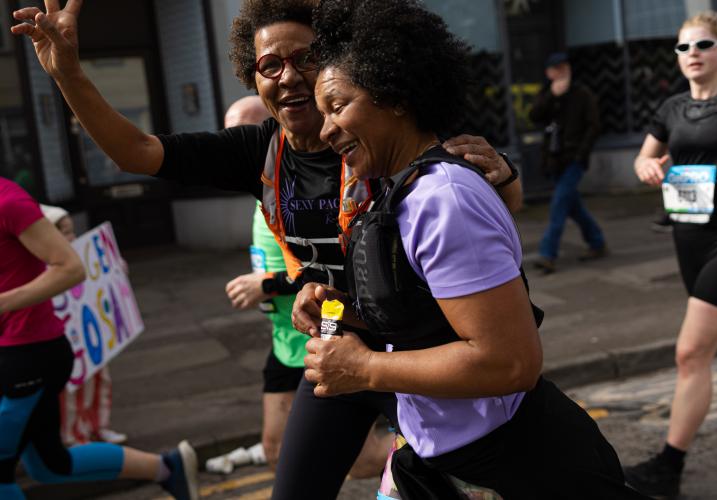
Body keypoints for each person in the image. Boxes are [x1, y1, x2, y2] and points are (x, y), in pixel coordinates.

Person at [10, 2, 520, 497]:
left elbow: (489, 198)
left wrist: (506, 173)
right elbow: (136, 152)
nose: (289, 76)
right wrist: (68, 73)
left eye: (307, 58)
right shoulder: (258, 150)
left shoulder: (378, 133)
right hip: (335, 334)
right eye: (270, 65)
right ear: (253, 78)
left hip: (420, 346)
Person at [293, 1, 646, 498]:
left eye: (337, 105)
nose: (326, 129)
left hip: (518, 466)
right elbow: (423, 319)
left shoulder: (446, 201)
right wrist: (336, 309)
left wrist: (365, 370)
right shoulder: (401, 191)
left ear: (394, 95)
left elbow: (510, 362)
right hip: (437, 458)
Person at [628, 11, 717, 498]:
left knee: (691, 353)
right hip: (687, 239)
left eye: (704, 45)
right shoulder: (670, 109)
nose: (692, 54)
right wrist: (648, 167)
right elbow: (643, 157)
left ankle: (668, 467)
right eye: (684, 47)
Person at [221, 96, 390, 476]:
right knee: (274, 449)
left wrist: (267, 284)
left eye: (248, 131)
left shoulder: (312, 184)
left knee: (360, 460)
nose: (239, 143)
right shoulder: (263, 184)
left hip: (325, 329)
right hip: (284, 339)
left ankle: (415, 464)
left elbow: (334, 274)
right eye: (231, 133)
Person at [0, 178, 198, 500]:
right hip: (16, 355)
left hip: (27, 355)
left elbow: (70, 268)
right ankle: (167, 468)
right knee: (49, 465)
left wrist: (3, 302)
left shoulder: (8, 201)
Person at [39, 204, 127, 447]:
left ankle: (99, 426)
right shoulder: (44, 268)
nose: (72, 237)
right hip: (69, 340)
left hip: (92, 337)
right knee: (72, 394)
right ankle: (73, 435)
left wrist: (116, 269)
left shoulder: (81, 254)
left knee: (101, 382)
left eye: (72, 231)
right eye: (65, 232)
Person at [529, 52, 607, 274]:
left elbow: (594, 127)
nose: (563, 72)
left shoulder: (582, 94)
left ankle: (547, 254)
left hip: (574, 159)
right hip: (553, 160)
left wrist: (581, 154)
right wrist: (552, 97)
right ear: (549, 73)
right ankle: (597, 242)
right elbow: (534, 116)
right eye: (557, 68)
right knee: (573, 206)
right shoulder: (546, 94)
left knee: (559, 205)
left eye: (565, 67)